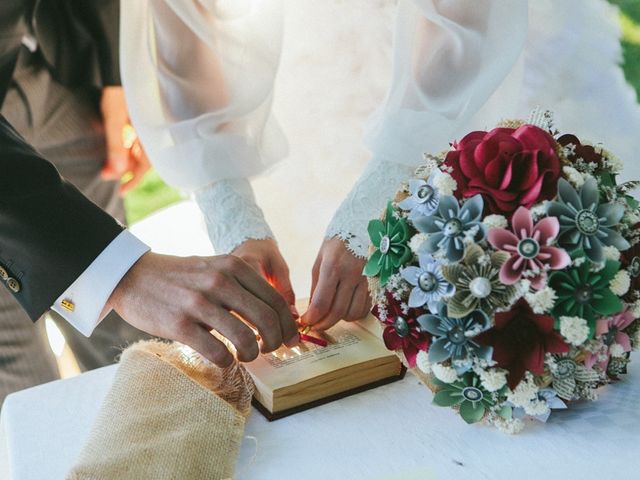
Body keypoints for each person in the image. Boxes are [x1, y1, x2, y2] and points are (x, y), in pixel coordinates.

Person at [120, 0, 640, 335]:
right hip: (311, 69)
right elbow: (182, 34)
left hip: (483, 53)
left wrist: (374, 208)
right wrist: (235, 218)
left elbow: (461, 29)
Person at [0, 0, 298, 406]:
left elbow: (184, 24)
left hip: (61, 62)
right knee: (20, 371)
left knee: (121, 335)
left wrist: (113, 81)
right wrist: (123, 272)